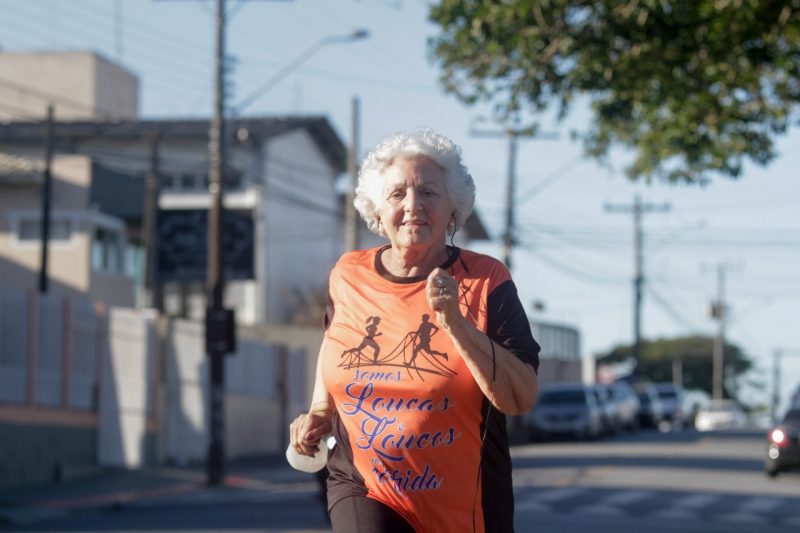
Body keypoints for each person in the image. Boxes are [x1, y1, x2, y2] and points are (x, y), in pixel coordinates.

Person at [289, 128, 540, 533]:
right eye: (397, 194)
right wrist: (320, 411)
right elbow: (334, 345)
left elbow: (520, 397)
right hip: (365, 485)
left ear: (453, 208)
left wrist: (456, 323)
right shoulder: (348, 274)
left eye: (428, 192)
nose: (412, 206)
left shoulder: (486, 280)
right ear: (377, 210)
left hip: (467, 506)